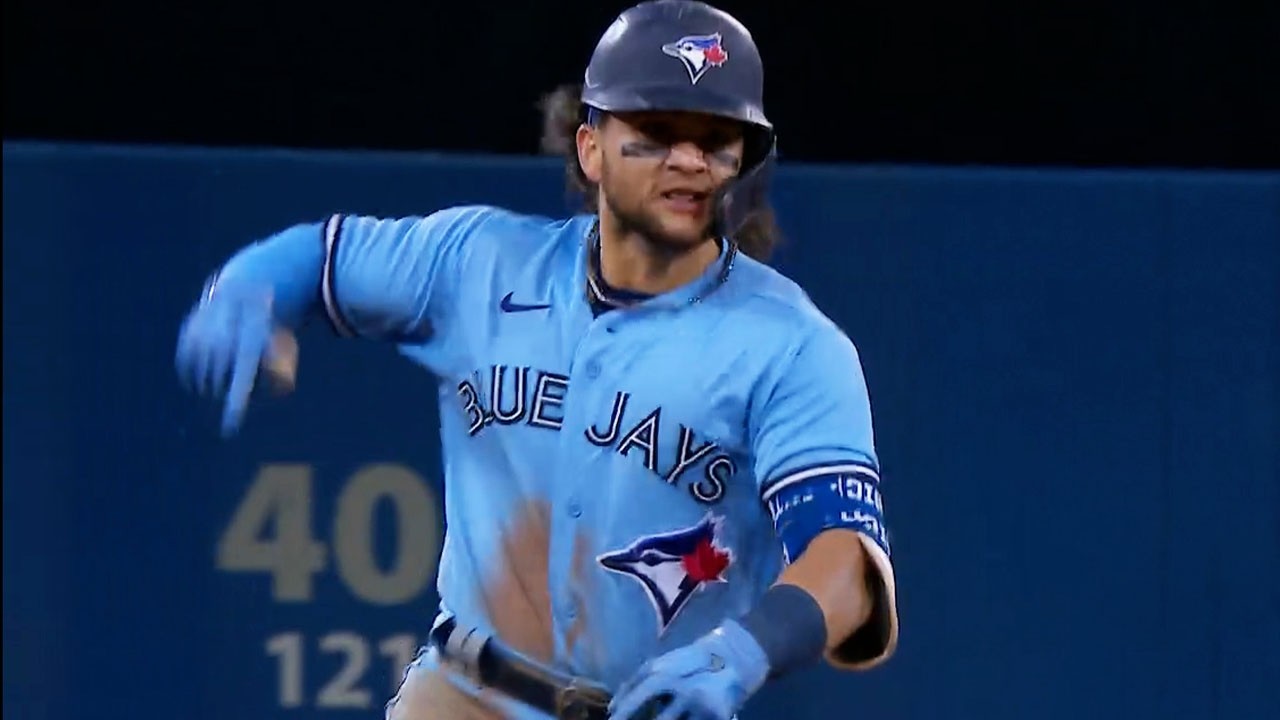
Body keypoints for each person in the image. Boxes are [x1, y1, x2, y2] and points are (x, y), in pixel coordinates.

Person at [174, 1, 899, 718]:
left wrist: (743, 651)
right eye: (657, 132)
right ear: (590, 147)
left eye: (716, 140)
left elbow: (846, 559)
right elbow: (322, 254)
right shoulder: (479, 262)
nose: (689, 160)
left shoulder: (793, 345)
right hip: (463, 694)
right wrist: (247, 288)